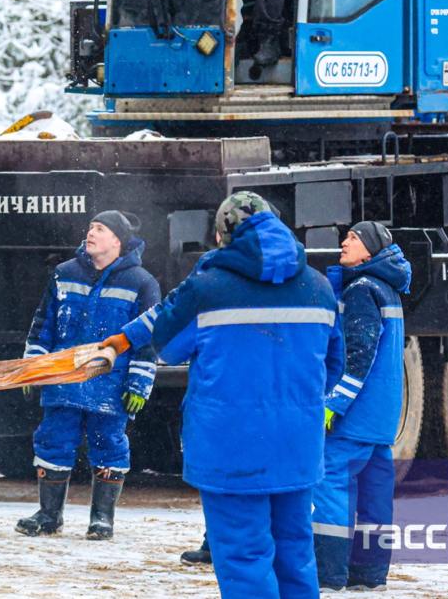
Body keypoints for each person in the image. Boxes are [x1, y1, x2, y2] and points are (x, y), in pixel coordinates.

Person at [101, 192, 343, 598]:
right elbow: (334, 364)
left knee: (245, 558)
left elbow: (170, 347)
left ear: (222, 235)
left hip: (231, 447)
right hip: (297, 447)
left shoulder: (209, 287)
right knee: (295, 554)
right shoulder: (319, 287)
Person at [15, 211, 160, 540]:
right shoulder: (64, 274)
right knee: (53, 441)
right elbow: (43, 326)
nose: (90, 233)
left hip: (109, 385)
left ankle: (102, 519)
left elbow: (148, 338)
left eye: (99, 229)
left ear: (116, 241)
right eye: (91, 227)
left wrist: (139, 382)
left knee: (108, 445)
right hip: (63, 380)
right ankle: (49, 515)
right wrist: (32, 367)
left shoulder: (141, 282)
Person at [312, 221, 410, 592]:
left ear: (369, 250)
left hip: (355, 418)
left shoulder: (361, 290)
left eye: (353, 238)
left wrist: (334, 403)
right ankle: (369, 576)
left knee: (331, 486)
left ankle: (330, 573)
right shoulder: (388, 290)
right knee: (374, 496)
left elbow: (359, 355)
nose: (344, 242)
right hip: (382, 419)